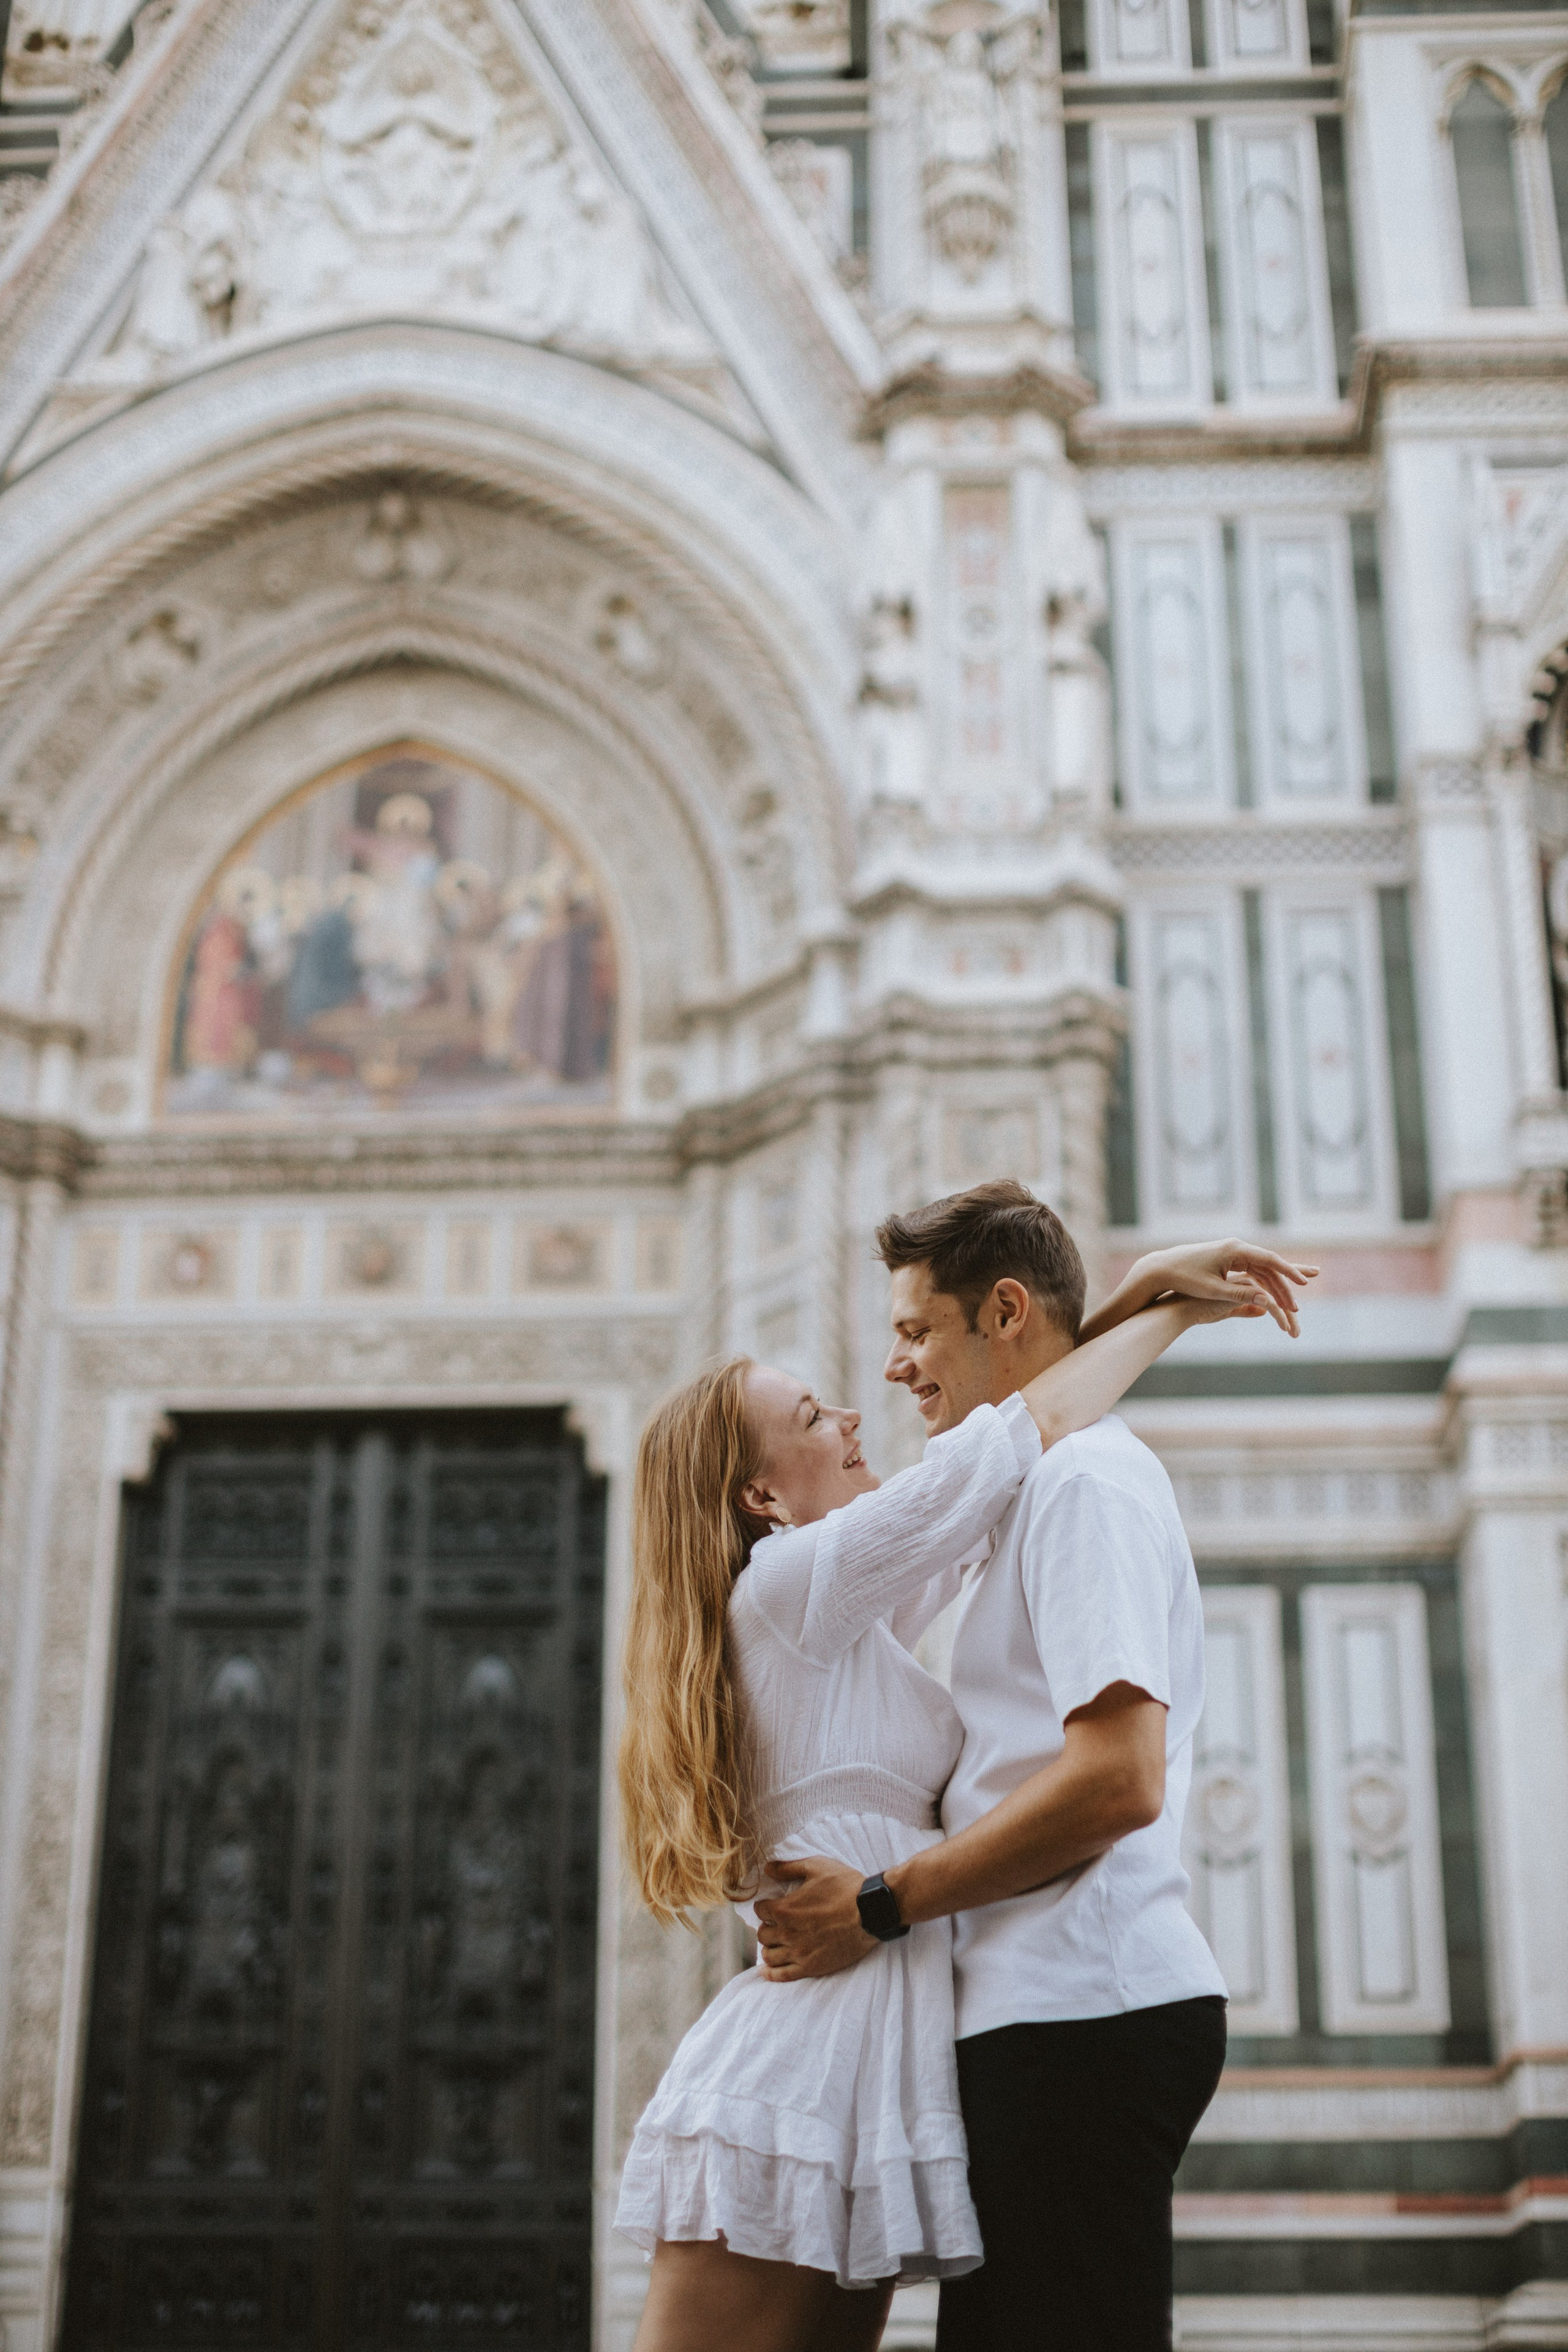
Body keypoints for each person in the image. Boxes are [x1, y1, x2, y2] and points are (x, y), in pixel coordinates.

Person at [615, 1217, 1313, 2352]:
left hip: (884, 2058)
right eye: (812, 1419)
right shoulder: (790, 1589)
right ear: (759, 1500)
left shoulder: (849, 1620)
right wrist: (1157, 1305)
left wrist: (1123, 1304)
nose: (858, 1408)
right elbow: (1000, 1450)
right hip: (807, 2065)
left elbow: (1001, 1460)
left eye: (907, 1335)